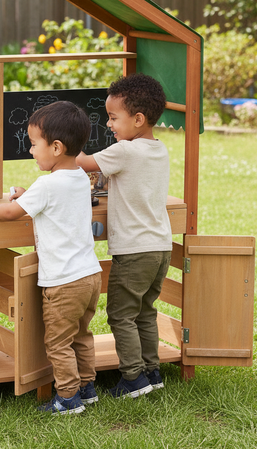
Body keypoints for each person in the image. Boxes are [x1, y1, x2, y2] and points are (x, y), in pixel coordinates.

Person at [0, 101, 102, 415]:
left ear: (57, 147)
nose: (31, 151)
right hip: (89, 275)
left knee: (58, 343)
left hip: (64, 282)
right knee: (82, 335)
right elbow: (47, 202)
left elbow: (8, 213)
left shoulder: (47, 184)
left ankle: (68, 399)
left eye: (34, 145)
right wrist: (29, 194)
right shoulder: (78, 177)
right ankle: (87, 388)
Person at [77, 73, 172, 398]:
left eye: (114, 118)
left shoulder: (125, 151)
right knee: (145, 311)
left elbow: (82, 163)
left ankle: (133, 379)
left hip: (134, 251)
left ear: (138, 119)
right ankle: (151, 371)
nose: (108, 125)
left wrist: (57, 142)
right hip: (160, 248)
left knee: (120, 314)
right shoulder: (159, 150)